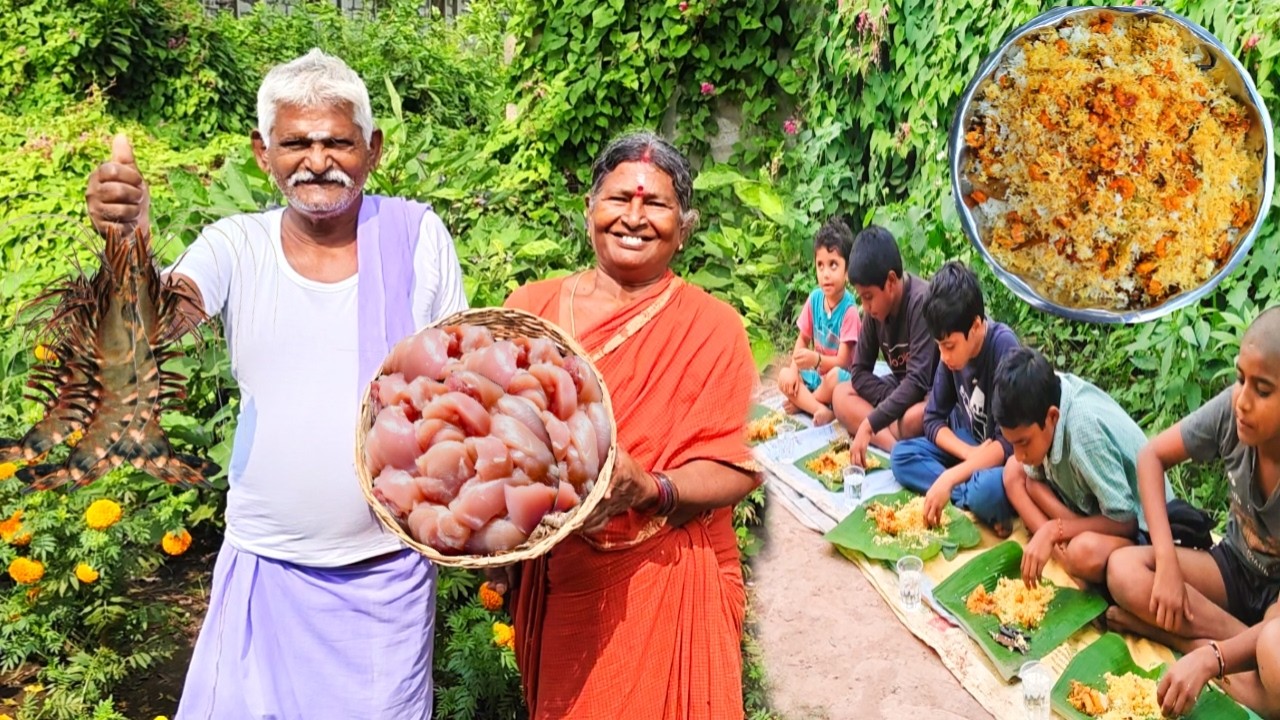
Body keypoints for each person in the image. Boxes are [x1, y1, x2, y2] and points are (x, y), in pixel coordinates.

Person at [85, 49, 467, 719]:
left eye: (337, 141)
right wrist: (128, 246)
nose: (318, 159)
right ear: (264, 153)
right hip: (266, 563)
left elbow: (462, 382)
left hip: (385, 576)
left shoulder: (417, 238)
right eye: (296, 142)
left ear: (372, 149)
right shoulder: (238, 244)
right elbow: (155, 326)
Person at [494, 131, 760, 718]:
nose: (634, 218)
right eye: (619, 199)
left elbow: (741, 462)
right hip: (563, 577)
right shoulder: (531, 309)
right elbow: (493, 435)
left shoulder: (713, 329)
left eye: (656, 204)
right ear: (589, 208)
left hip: (666, 573)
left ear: (684, 227)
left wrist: (652, 488)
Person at [1105, 308, 1280, 719]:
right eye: (1240, 379)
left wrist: (1210, 659)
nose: (1243, 401)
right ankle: (1243, 659)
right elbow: (1150, 457)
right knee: (1123, 569)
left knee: (1275, 653)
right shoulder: (1230, 410)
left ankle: (1194, 645)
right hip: (1233, 569)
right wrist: (1166, 562)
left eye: (1263, 389)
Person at [993, 347, 1172, 586]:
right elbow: (1031, 481)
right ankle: (1060, 554)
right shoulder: (1047, 391)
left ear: (1052, 417)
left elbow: (1125, 521)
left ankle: (1067, 559)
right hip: (1085, 507)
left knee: (1083, 552)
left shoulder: (1083, 432)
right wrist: (1057, 528)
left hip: (1141, 531)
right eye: (1012, 443)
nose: (1019, 453)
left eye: (1023, 442)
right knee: (1013, 472)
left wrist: (1053, 531)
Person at [889, 261, 1019, 533]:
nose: (945, 357)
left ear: (975, 326)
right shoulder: (950, 358)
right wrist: (968, 454)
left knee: (990, 489)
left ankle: (966, 494)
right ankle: (967, 498)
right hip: (969, 443)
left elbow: (1007, 444)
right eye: (940, 347)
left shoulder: (1002, 347)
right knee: (900, 456)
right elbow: (933, 419)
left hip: (998, 458)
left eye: (949, 346)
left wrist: (949, 477)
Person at [832, 225, 938, 466]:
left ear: (891, 281)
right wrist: (890, 401)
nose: (865, 306)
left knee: (915, 418)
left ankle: (880, 432)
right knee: (840, 394)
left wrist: (872, 420)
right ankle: (895, 447)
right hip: (901, 391)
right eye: (861, 298)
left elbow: (918, 381)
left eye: (868, 297)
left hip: (926, 396)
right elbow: (859, 372)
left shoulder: (921, 303)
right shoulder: (873, 313)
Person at [777, 217, 860, 426]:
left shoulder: (849, 311)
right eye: (820, 266)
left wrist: (816, 360)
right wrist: (794, 372)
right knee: (784, 375)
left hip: (840, 382)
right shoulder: (814, 299)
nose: (826, 274)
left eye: (833, 265)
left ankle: (806, 404)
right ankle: (819, 409)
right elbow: (802, 341)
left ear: (847, 271)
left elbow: (843, 362)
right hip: (816, 379)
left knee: (835, 377)